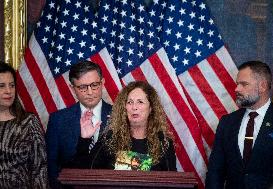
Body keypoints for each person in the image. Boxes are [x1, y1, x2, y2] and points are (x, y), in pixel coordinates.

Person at [205, 61, 273, 189]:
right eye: (237, 84)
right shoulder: (227, 122)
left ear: (262, 86)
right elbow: (215, 171)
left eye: (244, 84)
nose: (237, 89)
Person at [71, 81, 176, 171]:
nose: (134, 107)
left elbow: (172, 180)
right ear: (124, 108)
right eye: (130, 102)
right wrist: (84, 140)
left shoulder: (163, 142)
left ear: (151, 108)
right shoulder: (110, 138)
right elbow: (84, 171)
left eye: (140, 102)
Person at [45, 60, 112, 188]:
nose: (90, 92)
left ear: (103, 83)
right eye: (82, 87)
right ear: (72, 88)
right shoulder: (58, 120)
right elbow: (52, 167)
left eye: (94, 85)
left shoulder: (120, 116)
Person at [0, 62, 48, 188]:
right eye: (2, 86)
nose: (8, 91)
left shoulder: (29, 122)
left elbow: (40, 170)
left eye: (12, 85)